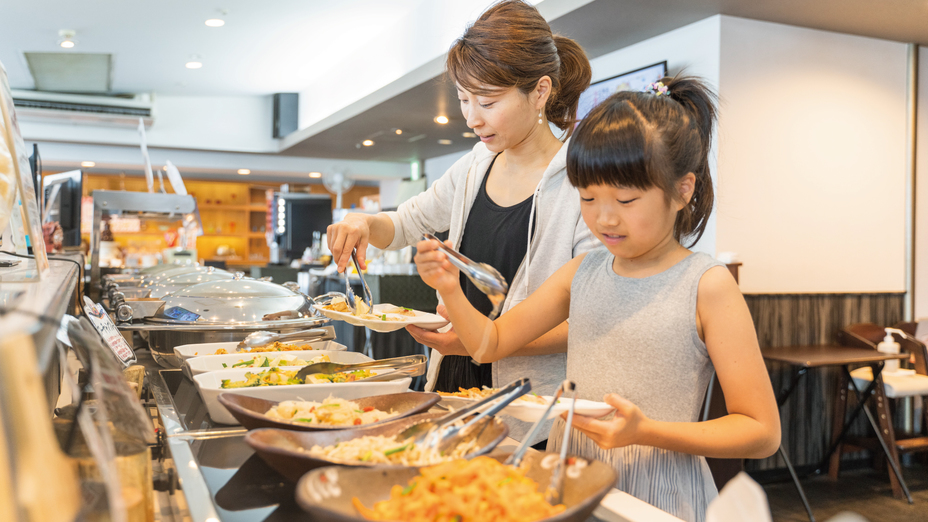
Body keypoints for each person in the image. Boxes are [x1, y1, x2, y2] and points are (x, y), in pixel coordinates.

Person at [413, 76, 781, 522]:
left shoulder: (706, 284)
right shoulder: (581, 273)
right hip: (573, 483)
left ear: (682, 190)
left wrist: (647, 431)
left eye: (626, 199)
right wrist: (450, 289)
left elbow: (761, 431)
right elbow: (489, 343)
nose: (604, 218)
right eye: (587, 198)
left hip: (659, 493)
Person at [326, 0, 598, 442]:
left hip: (530, 405)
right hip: (454, 382)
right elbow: (406, 224)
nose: (472, 118)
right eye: (463, 99)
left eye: (488, 102)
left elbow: (586, 319)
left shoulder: (580, 179)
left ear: (541, 91)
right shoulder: (476, 164)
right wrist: (362, 222)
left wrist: (482, 338)